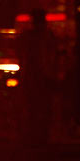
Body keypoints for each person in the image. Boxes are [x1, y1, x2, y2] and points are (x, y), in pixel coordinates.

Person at [17, 8, 58, 146]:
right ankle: (37, 134)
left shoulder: (30, 36)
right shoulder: (45, 36)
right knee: (39, 107)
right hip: (39, 77)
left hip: (35, 77)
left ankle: (36, 134)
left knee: (35, 107)